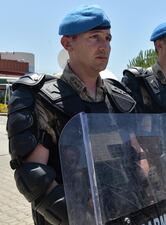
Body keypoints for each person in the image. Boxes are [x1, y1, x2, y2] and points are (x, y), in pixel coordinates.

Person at [6, 5, 135, 225]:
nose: (104, 46)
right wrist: (81, 216)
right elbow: (34, 177)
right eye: (94, 37)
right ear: (67, 44)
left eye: (108, 38)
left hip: (122, 215)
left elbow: (137, 159)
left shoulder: (119, 100)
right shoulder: (44, 98)